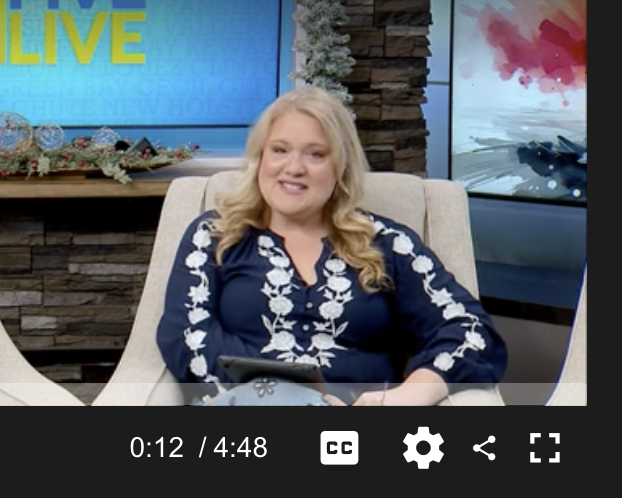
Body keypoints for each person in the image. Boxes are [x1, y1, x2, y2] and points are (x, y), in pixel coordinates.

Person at [156, 87, 507, 406]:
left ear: (340, 167)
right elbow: (185, 339)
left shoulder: (387, 244)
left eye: (316, 154)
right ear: (260, 157)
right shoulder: (215, 236)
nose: (294, 168)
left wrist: (409, 394)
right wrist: (295, 400)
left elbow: (471, 331)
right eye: (279, 150)